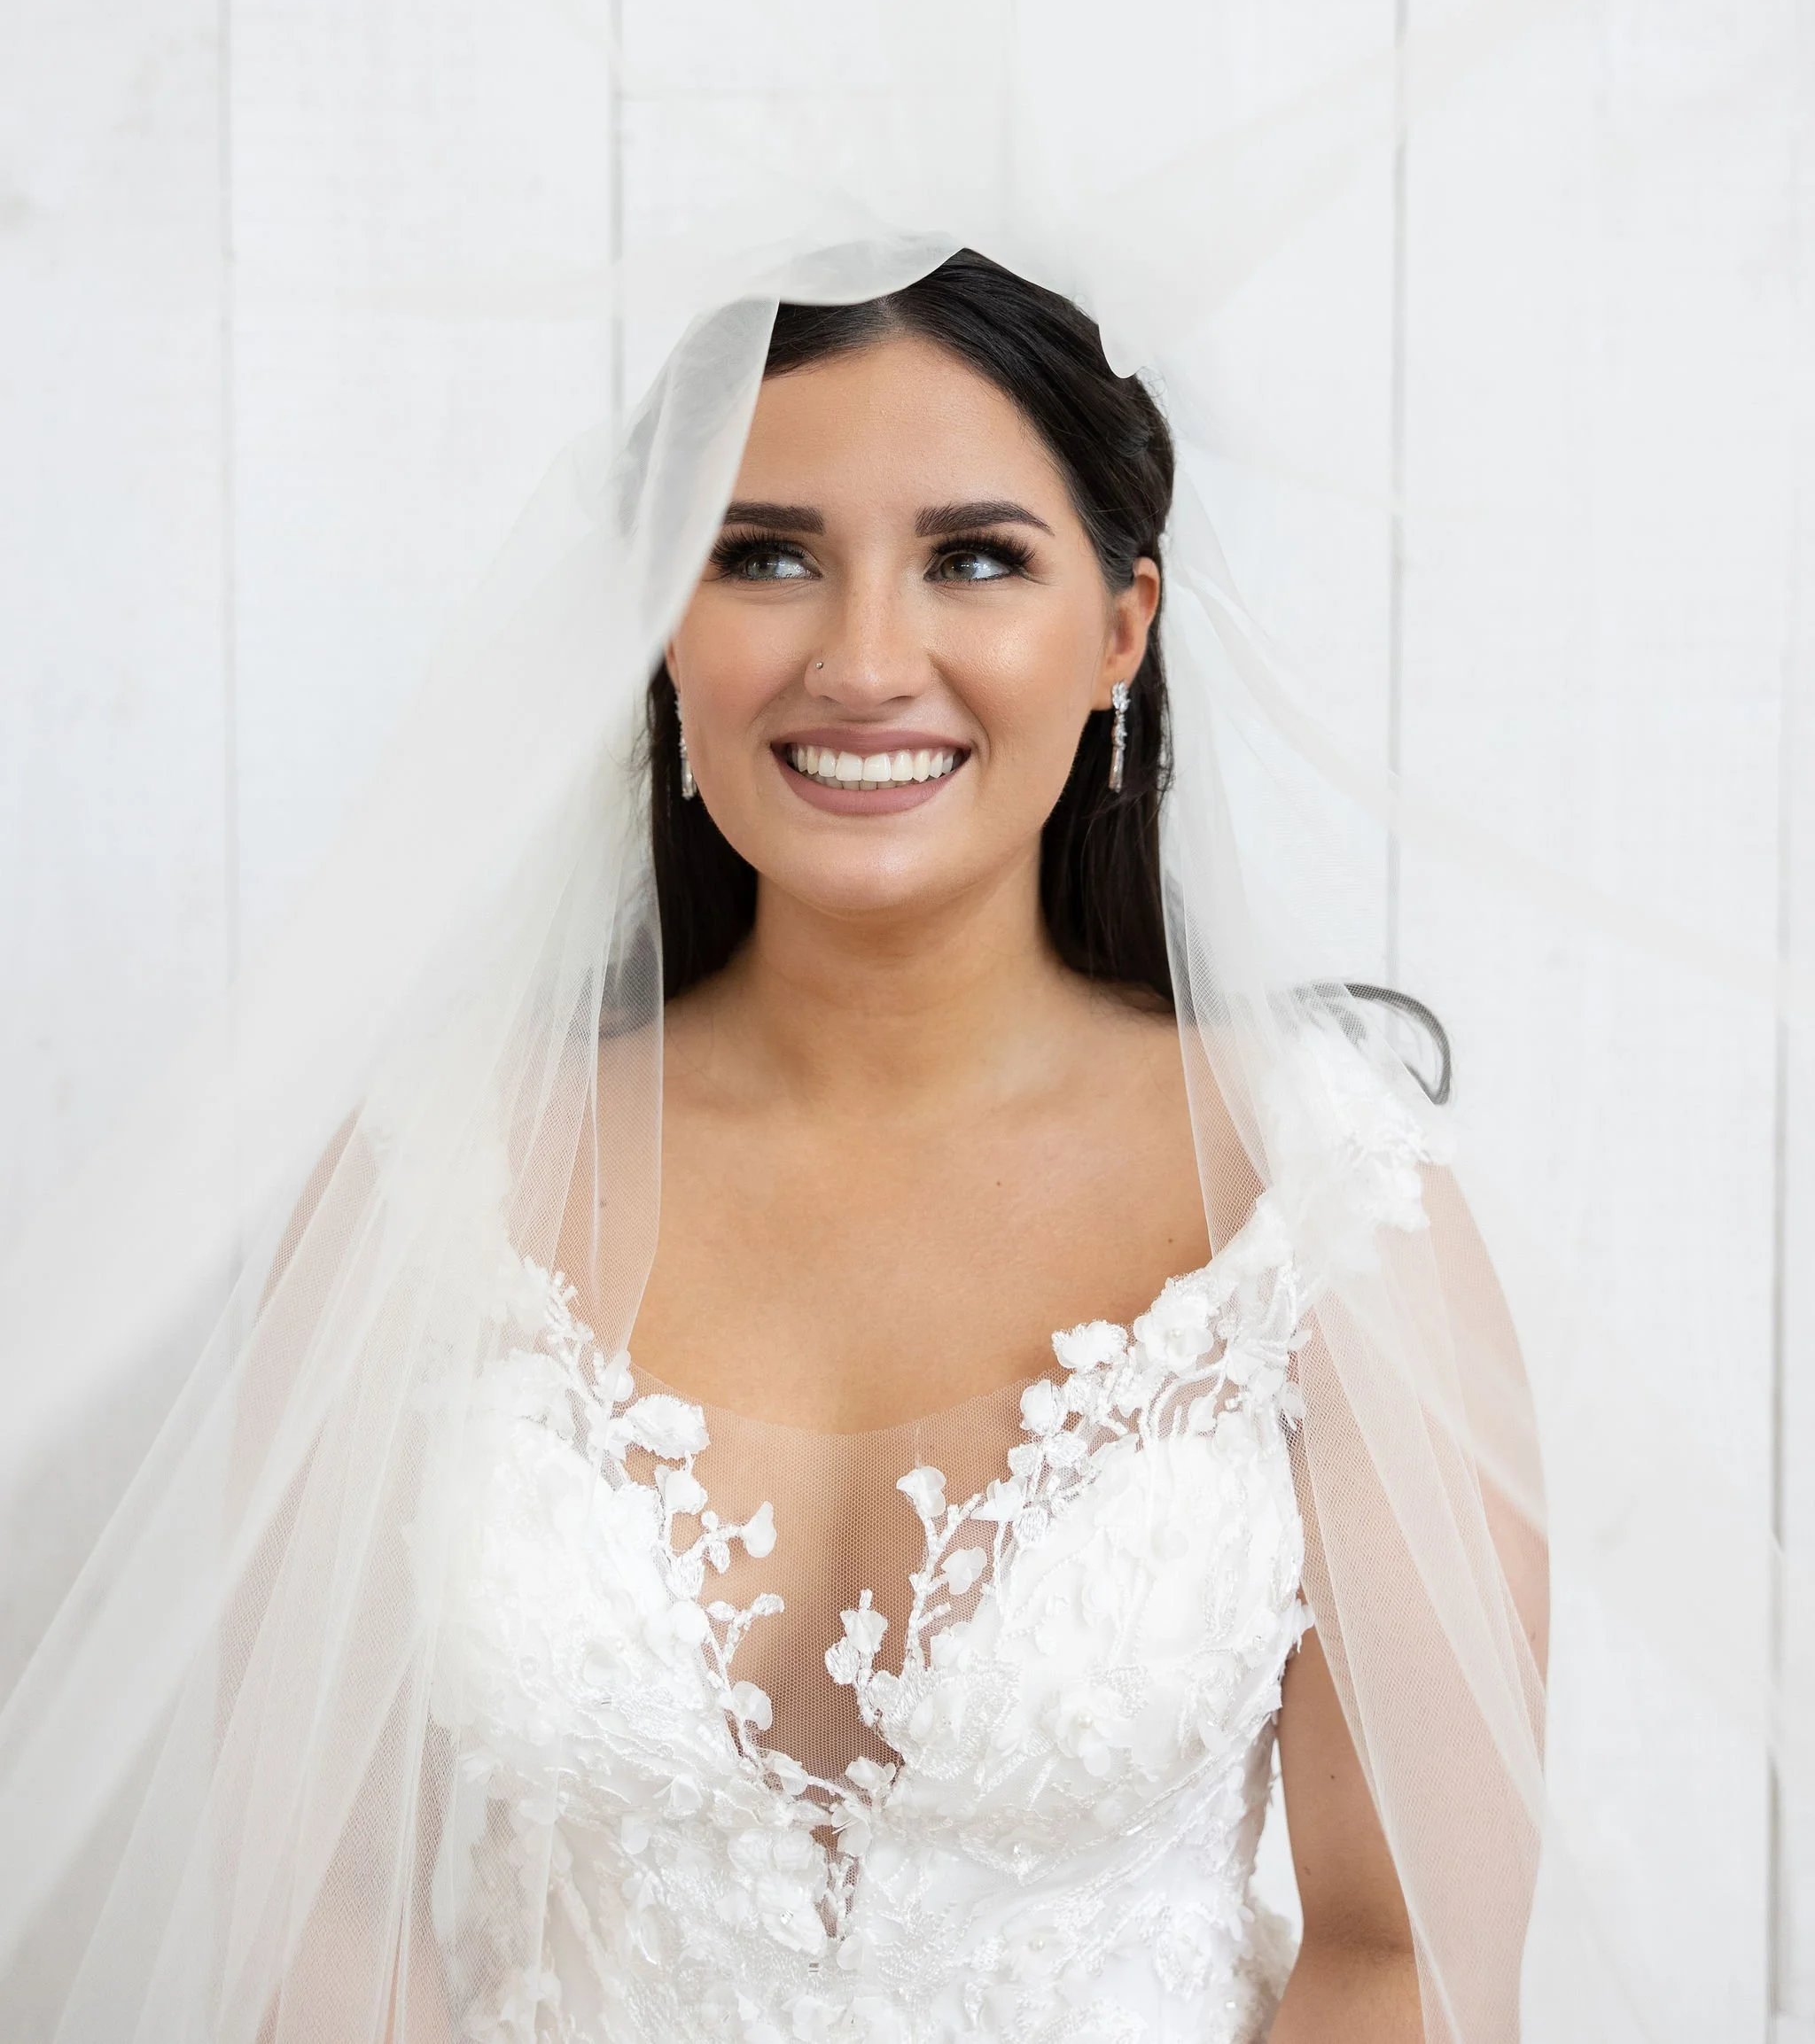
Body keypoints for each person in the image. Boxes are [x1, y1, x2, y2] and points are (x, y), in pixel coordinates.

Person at [0, 246, 1546, 2044]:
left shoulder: (1325, 1209)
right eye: (764, 556)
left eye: (972, 557)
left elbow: (1403, 1950)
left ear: (1120, 628)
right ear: (664, 621)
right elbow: (316, 1921)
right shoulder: (430, 1185)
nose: (865, 659)